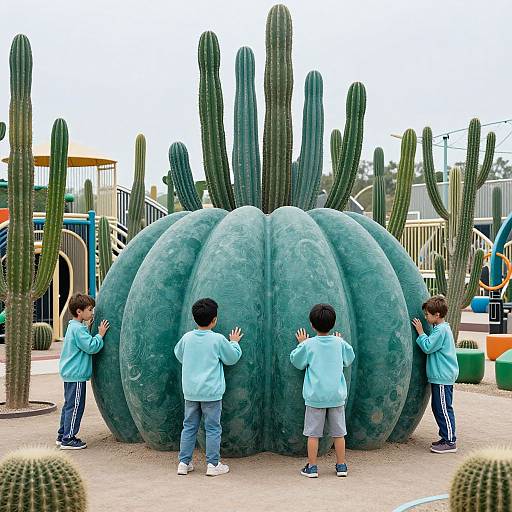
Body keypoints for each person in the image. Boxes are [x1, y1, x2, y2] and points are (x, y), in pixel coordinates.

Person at [174, 298, 243, 477]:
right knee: (212, 428)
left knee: (189, 427)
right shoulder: (218, 339)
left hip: (191, 392)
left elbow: (179, 354)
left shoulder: (187, 338)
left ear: (194, 319)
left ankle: (184, 462)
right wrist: (235, 342)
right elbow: (231, 358)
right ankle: (213, 464)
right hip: (211, 393)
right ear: (215, 320)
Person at [290, 303, 355, 478]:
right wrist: (340, 341)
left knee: (313, 434)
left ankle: (312, 468)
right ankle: (341, 466)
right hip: (335, 396)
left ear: (311, 324)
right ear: (333, 324)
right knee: (339, 433)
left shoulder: (309, 344)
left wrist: (301, 344)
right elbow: (349, 359)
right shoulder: (339, 343)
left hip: (315, 397)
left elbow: (296, 361)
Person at [58, 293, 109, 449]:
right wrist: (100, 335)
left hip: (70, 374)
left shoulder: (74, 326)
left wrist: (87, 328)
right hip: (76, 375)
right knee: (75, 406)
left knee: (69, 405)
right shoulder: (79, 330)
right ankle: (69, 439)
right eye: (89, 309)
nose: (92, 312)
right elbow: (91, 347)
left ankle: (62, 435)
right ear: (79, 312)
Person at [412, 294, 459, 453]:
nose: (426, 317)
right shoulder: (440, 328)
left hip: (443, 377)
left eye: (428, 315)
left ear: (437, 315)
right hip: (440, 376)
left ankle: (450, 441)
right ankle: (445, 436)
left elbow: (427, 347)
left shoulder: (441, 331)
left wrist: (420, 332)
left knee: (443, 408)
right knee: (439, 407)